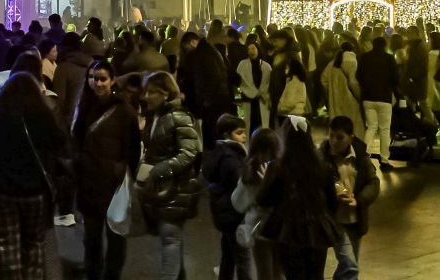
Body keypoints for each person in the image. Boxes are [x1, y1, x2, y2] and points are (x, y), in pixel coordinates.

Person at [0, 72, 68, 280]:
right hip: (34, 191)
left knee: (8, 243)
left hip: (2, 190)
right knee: (33, 243)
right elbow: (59, 141)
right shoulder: (42, 113)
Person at [73, 60, 139, 280]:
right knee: (91, 238)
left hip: (113, 184)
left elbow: (133, 148)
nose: (97, 82)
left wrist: (122, 171)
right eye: (92, 77)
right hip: (89, 181)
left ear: (112, 80)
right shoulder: (83, 105)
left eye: (102, 78)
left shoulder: (124, 110)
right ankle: (93, 273)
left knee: (115, 237)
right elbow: (75, 141)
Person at [255, 121, 345, 280]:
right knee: (316, 275)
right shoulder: (322, 165)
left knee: (293, 275)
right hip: (318, 229)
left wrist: (266, 182)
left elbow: (263, 200)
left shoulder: (278, 167)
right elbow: (332, 201)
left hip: (288, 230)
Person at [137, 70, 202, 279]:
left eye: (151, 92)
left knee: (170, 238)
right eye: (145, 91)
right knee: (173, 239)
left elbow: (190, 152)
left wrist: (159, 171)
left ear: (165, 94)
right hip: (165, 190)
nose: (146, 96)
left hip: (176, 188)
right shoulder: (155, 116)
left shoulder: (178, 116)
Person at [320, 112, 380, 276]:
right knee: (350, 265)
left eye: (339, 137)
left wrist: (359, 200)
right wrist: (333, 195)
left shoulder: (360, 158)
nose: (334, 141)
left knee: (349, 264)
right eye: (331, 136)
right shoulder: (322, 158)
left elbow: (373, 183)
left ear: (351, 138)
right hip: (334, 220)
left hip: (355, 220)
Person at [203, 114, 252, 280]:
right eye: (239, 133)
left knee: (229, 256)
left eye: (244, 132)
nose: (244, 136)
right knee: (243, 258)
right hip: (233, 214)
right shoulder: (231, 158)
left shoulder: (219, 152)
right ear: (226, 135)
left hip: (224, 214)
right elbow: (241, 183)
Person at [355, 34, 399, 167]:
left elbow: (358, 75)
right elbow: (396, 78)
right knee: (385, 129)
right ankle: (384, 159)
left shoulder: (364, 57)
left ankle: (364, 156)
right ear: (385, 46)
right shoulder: (389, 58)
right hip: (384, 97)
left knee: (371, 127)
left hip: (368, 98)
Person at [322, 46, 361, 142]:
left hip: (335, 100)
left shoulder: (332, 64)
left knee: (337, 125)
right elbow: (354, 82)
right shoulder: (353, 63)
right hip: (351, 100)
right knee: (352, 126)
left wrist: (330, 91)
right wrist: (360, 96)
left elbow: (323, 79)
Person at [236, 38, 271, 133]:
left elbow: (268, 83)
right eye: (249, 49)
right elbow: (241, 81)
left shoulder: (266, 66)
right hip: (248, 100)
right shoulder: (242, 65)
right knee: (248, 124)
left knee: (262, 124)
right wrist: (254, 93)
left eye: (253, 48)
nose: (251, 51)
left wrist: (262, 93)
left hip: (263, 101)